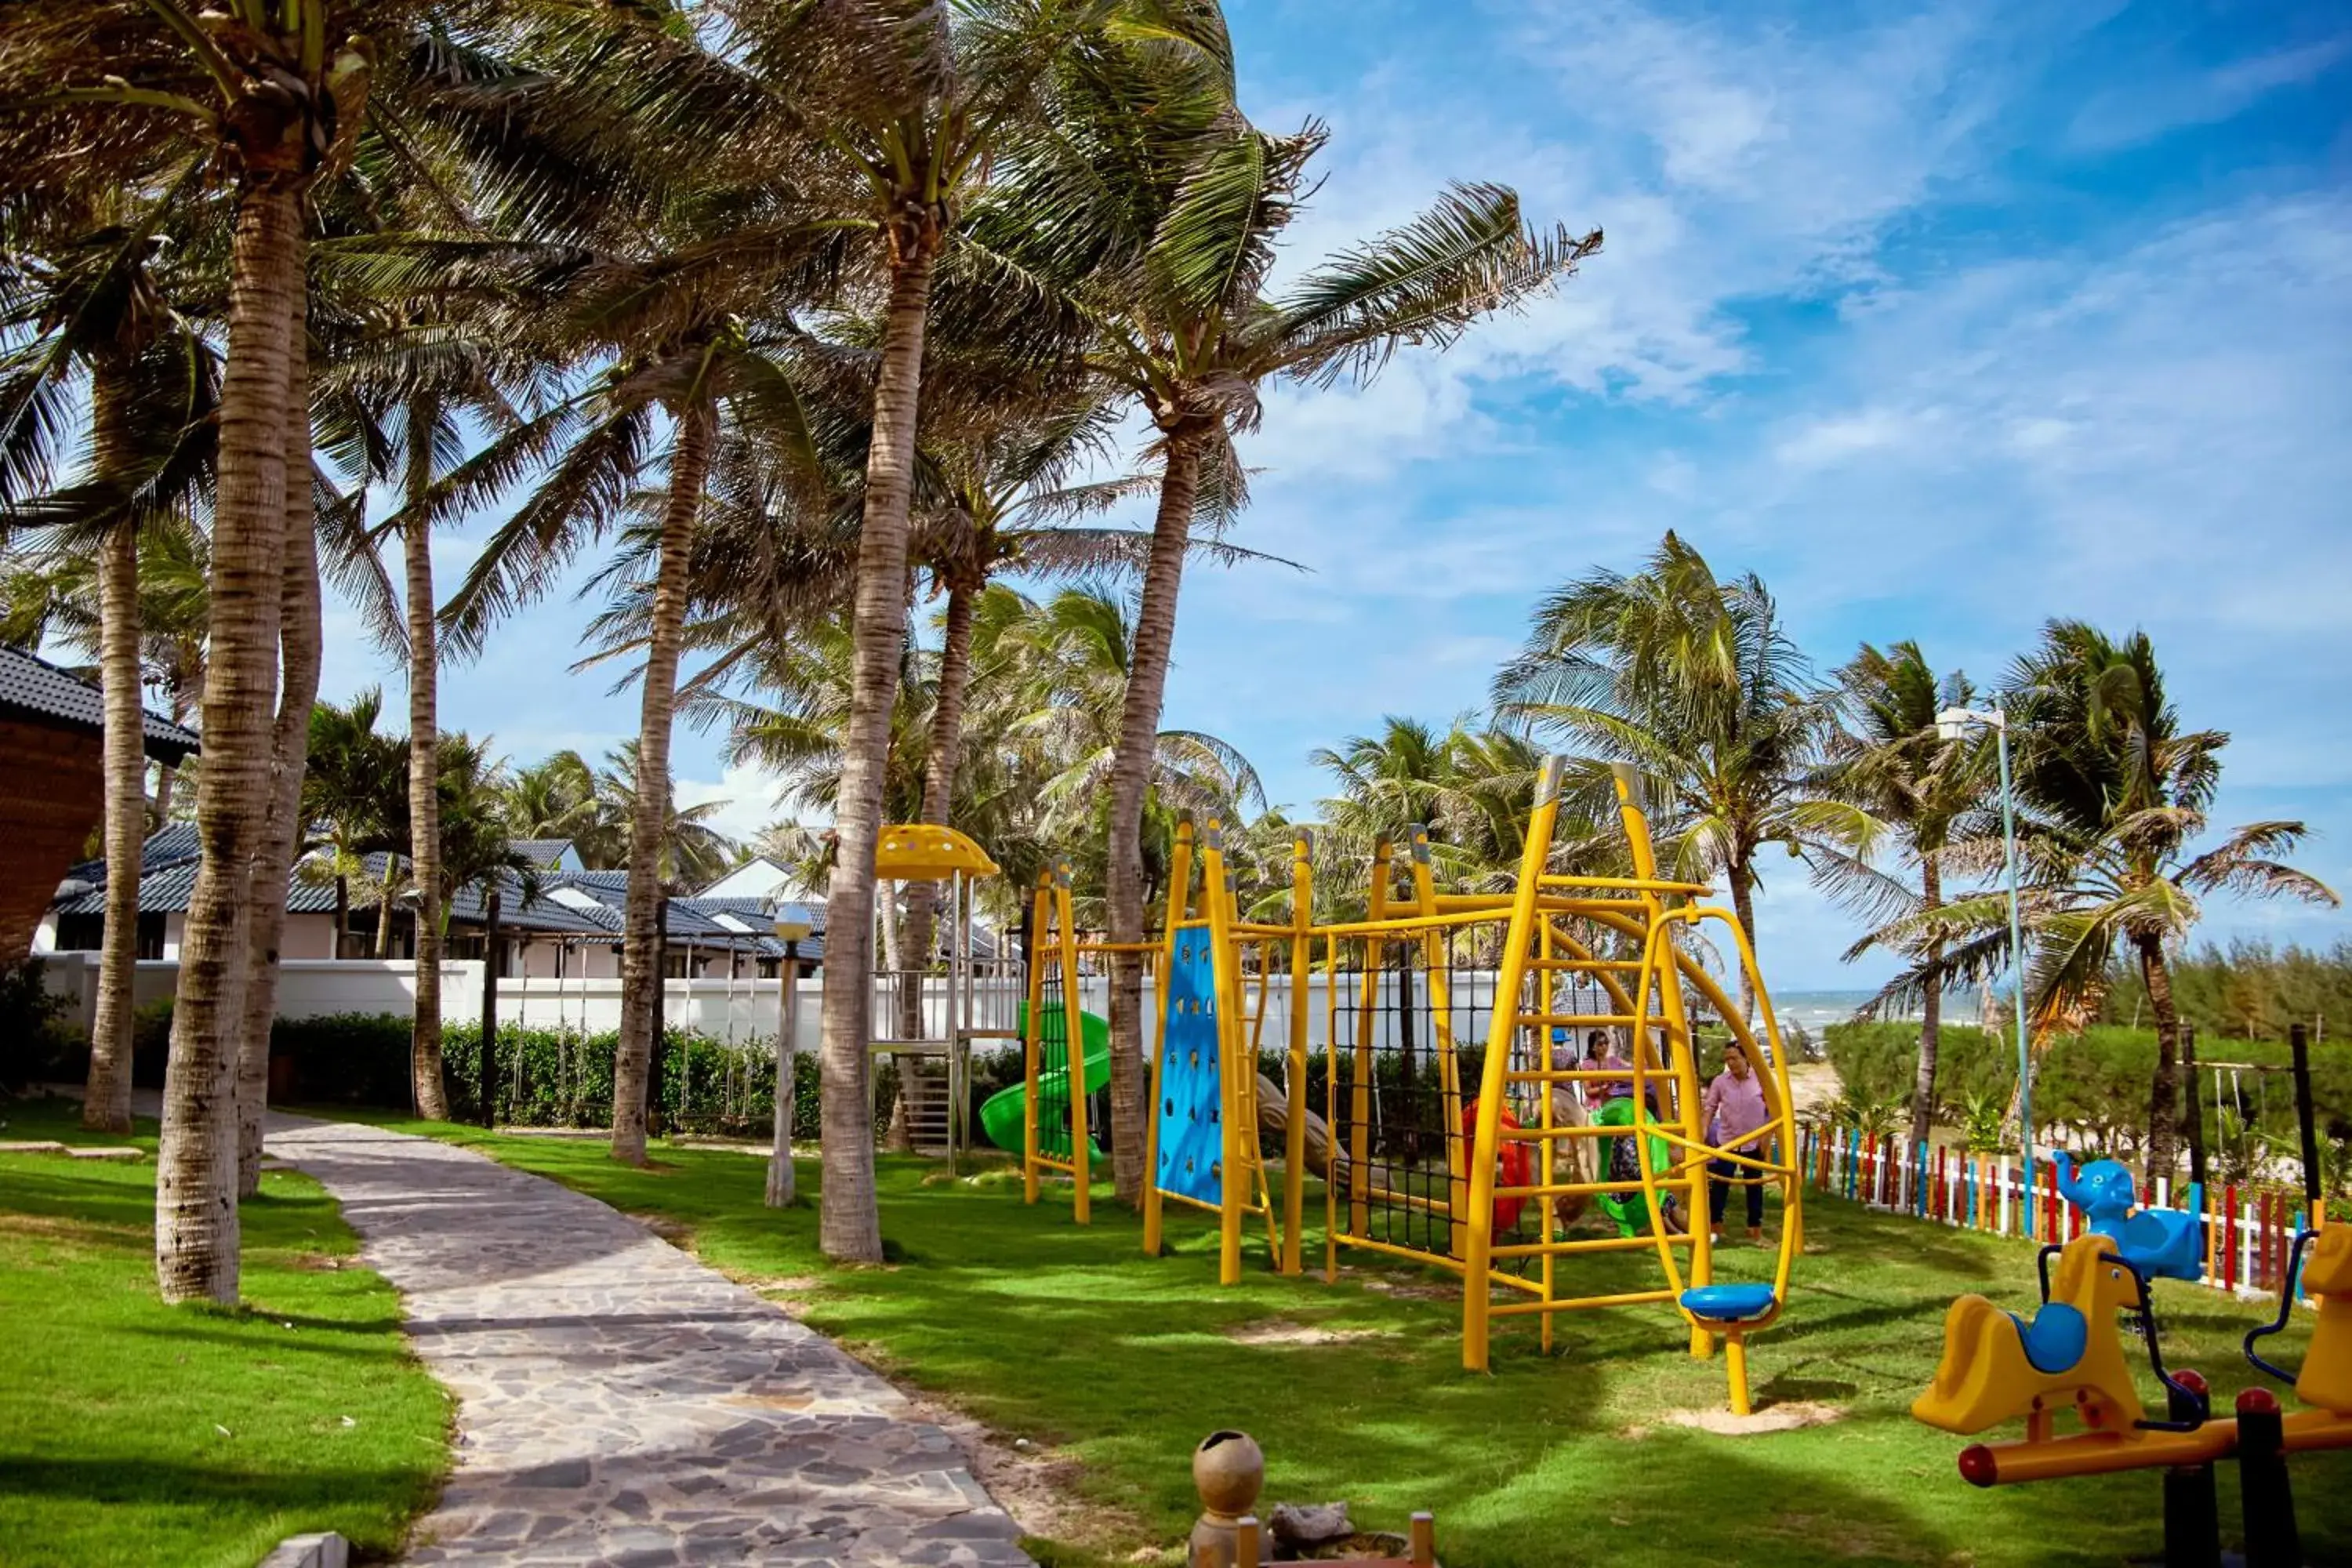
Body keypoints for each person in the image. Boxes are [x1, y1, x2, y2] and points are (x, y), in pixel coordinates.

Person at [1702, 1044, 1772, 1243]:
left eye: (1734, 1058)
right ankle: (1716, 1227)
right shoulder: (1720, 1082)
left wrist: (1766, 1137)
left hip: (1753, 1143)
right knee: (1720, 1185)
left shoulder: (1762, 1080)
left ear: (1746, 1058)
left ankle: (1755, 1229)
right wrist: (1703, 1130)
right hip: (1728, 1141)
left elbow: (1774, 1109)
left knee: (1755, 1186)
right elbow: (1709, 1108)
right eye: (1727, 1059)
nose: (1730, 1063)